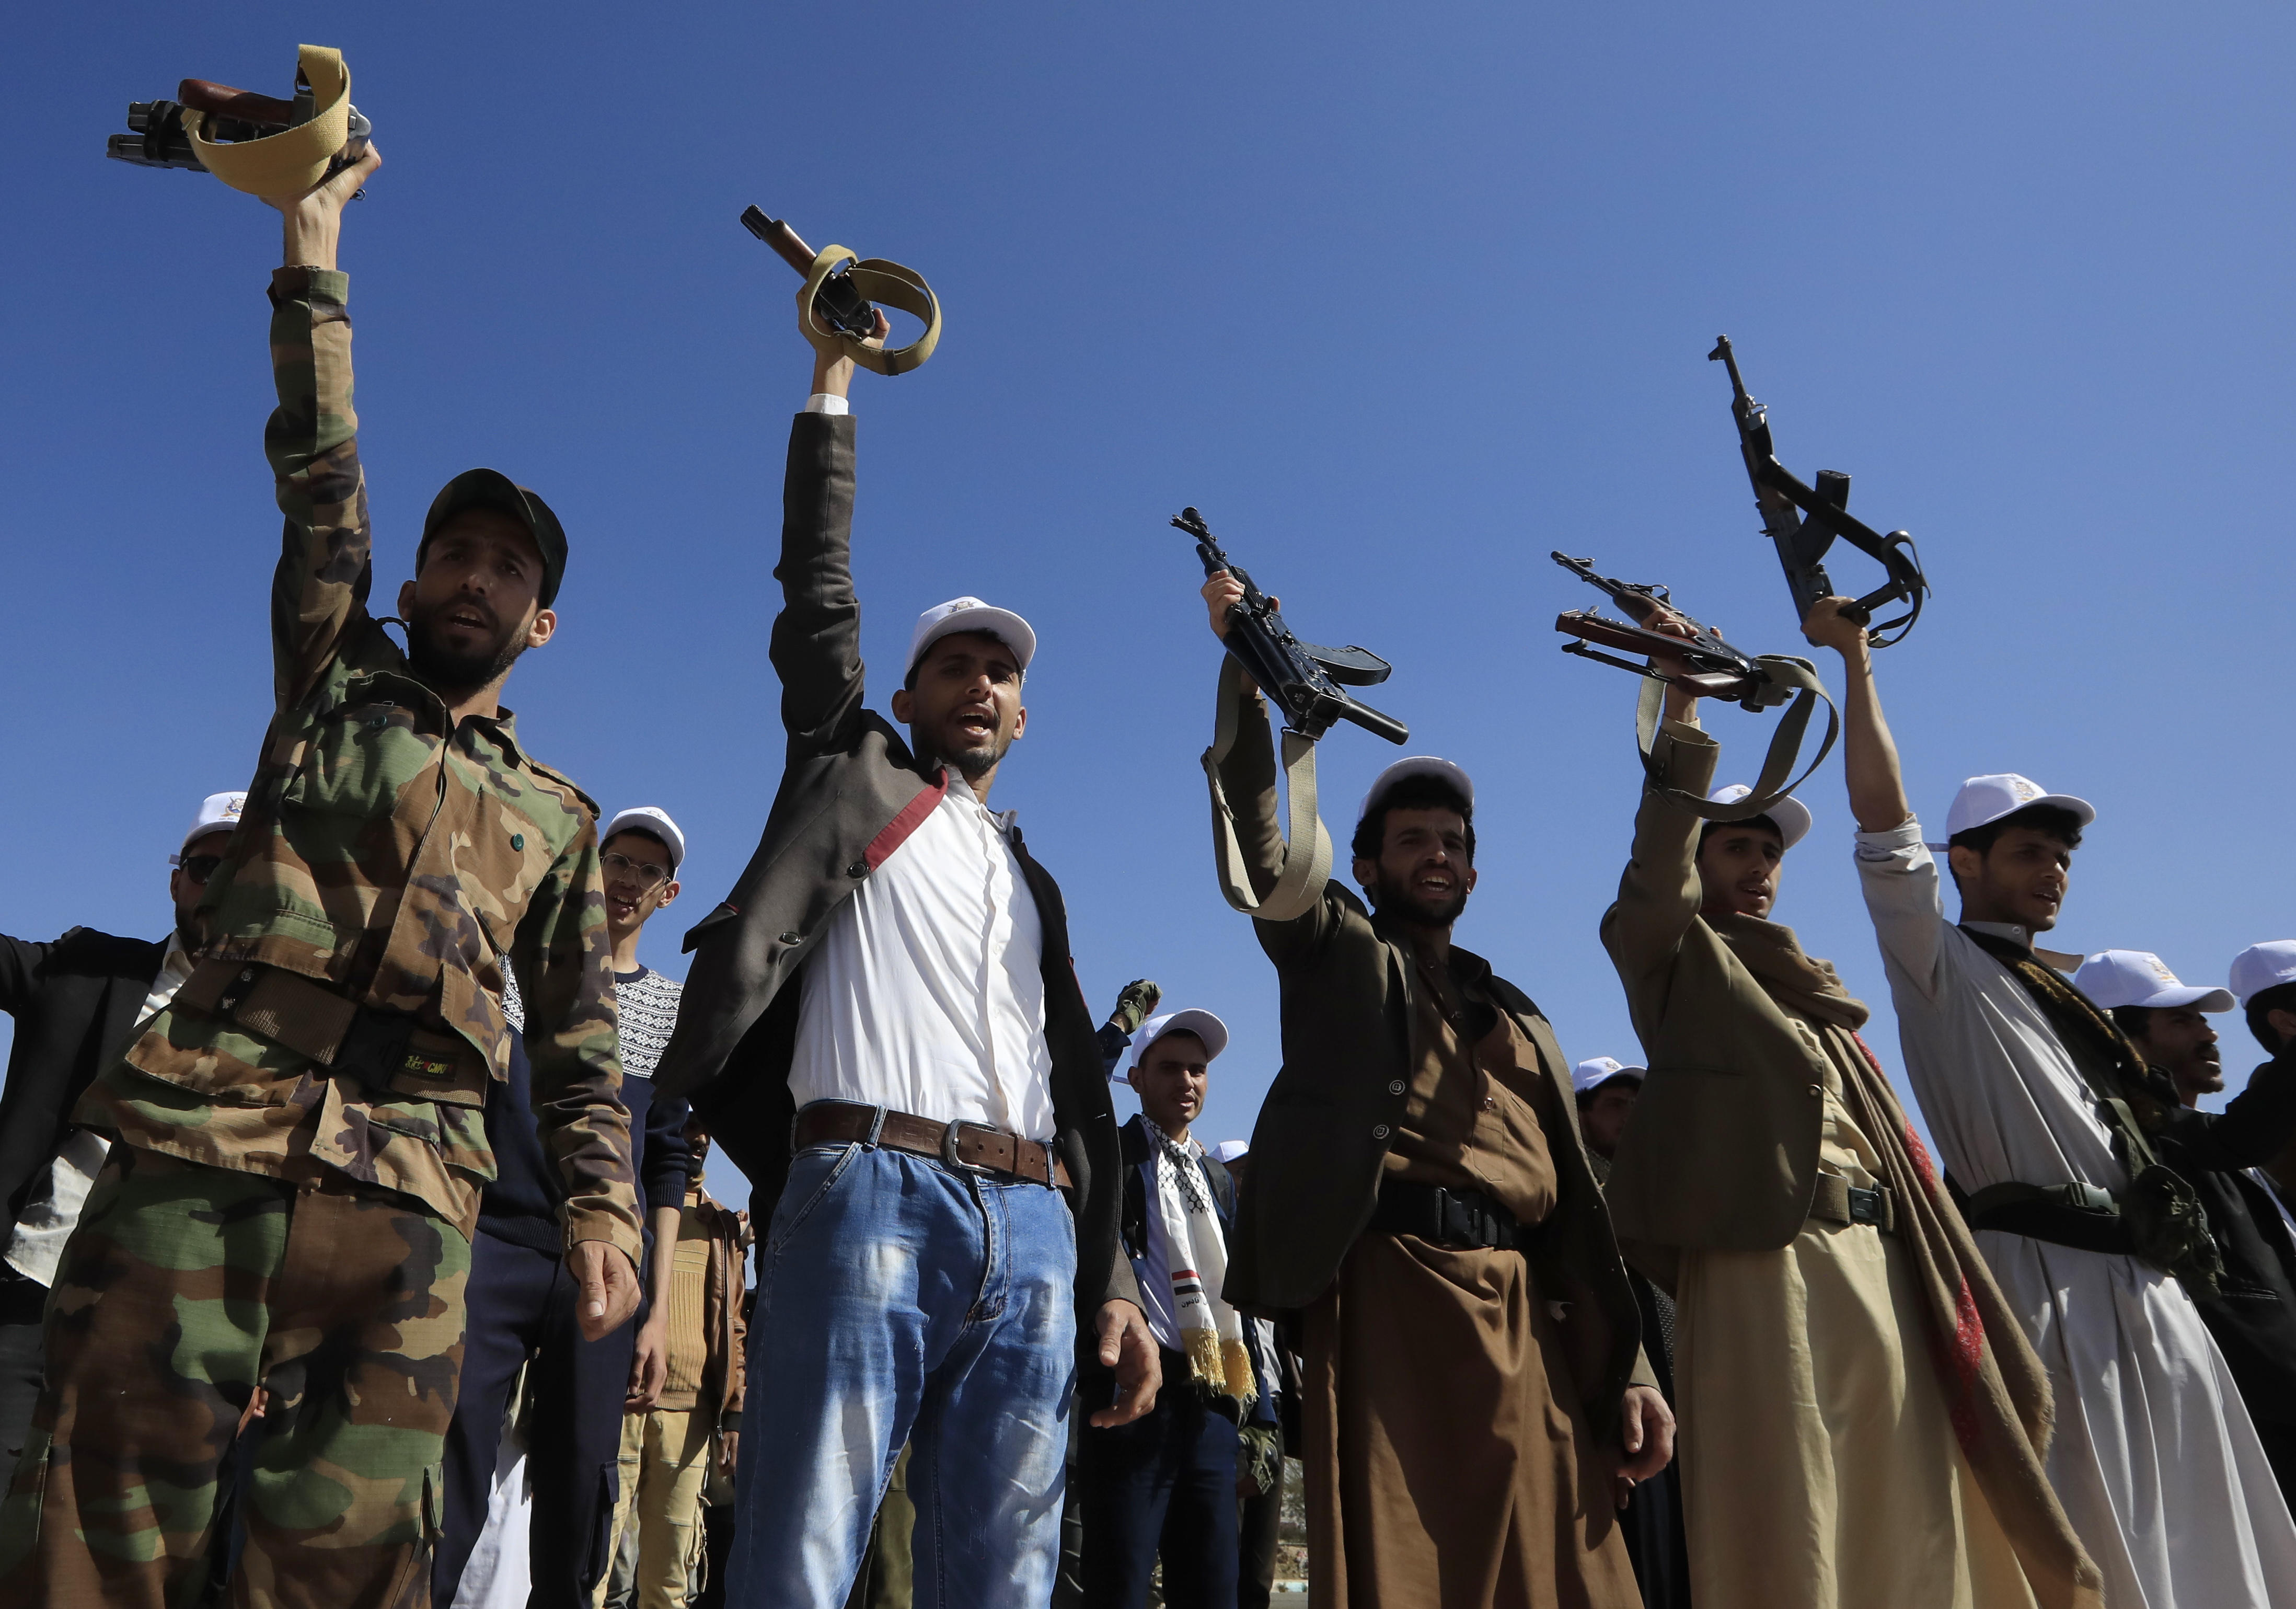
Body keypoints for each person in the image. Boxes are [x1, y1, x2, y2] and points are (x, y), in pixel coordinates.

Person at [0, 148, 645, 1605]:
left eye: (509, 570)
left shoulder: (557, 815)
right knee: (97, 1529)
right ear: (409, 581)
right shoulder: (334, 675)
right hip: (204, 1152)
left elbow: (582, 1050)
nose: (477, 578)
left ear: (541, 622)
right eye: (455, 553)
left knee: (345, 1566)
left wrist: (605, 1211)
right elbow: (319, 468)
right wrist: (314, 243)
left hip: (412, 1211)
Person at [652, 299, 1158, 1608]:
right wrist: (832, 384)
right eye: (952, 663)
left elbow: (1078, 1092)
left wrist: (1107, 1278)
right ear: (913, 690)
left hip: (1036, 1224)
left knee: (1005, 1572)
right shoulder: (856, 770)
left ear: (1024, 714)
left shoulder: (1030, 876)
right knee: (807, 1552)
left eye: (998, 670)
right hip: (870, 1181)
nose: (977, 682)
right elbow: (815, 597)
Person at [1807, 595, 2296, 1606]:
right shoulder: (1936, 965)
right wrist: (1856, 663)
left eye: (2060, 854)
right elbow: (1880, 827)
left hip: (2146, 1288)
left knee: (2208, 1553)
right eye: (2026, 851)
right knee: (2090, 1556)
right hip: (2038, 1289)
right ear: (1965, 862)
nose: (2052, 870)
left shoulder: (2059, 992)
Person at [1201, 574, 1670, 1609]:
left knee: (1568, 1577)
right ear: (1364, 864)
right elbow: (1265, 845)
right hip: (1389, 1294)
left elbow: (1571, 1213)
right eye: (1412, 840)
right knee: (1411, 1572)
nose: (1439, 855)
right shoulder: (1336, 953)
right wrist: (1246, 688)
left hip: (1526, 1310)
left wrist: (1630, 1375)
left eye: (1453, 844)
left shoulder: (1519, 1013)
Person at [1600, 647, 2093, 1609]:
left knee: (1905, 1502)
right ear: (1696, 864)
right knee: (1786, 1511)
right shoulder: (1672, 961)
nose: (1755, 866)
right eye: (1732, 847)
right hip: (1761, 1261)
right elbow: (1651, 878)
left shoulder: (1819, 991)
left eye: (1766, 851)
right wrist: (1683, 714)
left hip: (1879, 1256)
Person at [435, 808, 699, 1607]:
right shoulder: (519, 976)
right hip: (499, 1240)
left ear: (668, 893)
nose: (625, 879)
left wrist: (652, 1308)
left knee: (582, 1475)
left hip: (611, 1267)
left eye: (645, 870)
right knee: (454, 1449)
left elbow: (668, 1163)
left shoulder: (674, 1012)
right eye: (615, 859)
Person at [0, 791, 245, 1469]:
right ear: (176, 879)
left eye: (245, 871)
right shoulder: (88, 970)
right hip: (33, 1294)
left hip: (181, 1331)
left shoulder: (298, 1032)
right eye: (205, 868)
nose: (220, 888)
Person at [2075, 949, 2296, 1507]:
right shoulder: (2137, 1144)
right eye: (2181, 1020)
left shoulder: (2214, 1145)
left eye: (2204, 1019)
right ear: (2120, 1040)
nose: (2208, 1035)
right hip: (2248, 1424)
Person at [1080, 1009, 1270, 1608]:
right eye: (1168, 1068)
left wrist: (1259, 1413)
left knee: (1215, 1586)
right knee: (1122, 1582)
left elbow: (1238, 1305)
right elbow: (1075, 1100)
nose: (1186, 1081)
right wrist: (1114, 1027)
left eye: (1198, 1069)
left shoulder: (1216, 1177)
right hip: (1134, 1397)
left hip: (1212, 1401)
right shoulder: (1112, 1155)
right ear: (1136, 1078)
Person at [602, 1125, 747, 1609]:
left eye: (706, 1128)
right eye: (685, 1127)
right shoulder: (631, 1207)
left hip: (691, 1419)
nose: (697, 1137)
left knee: (670, 1582)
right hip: (620, 1403)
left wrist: (733, 1413)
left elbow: (734, 1326)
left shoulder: (723, 1223)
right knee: (596, 1567)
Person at [1567, 1057, 1690, 1609]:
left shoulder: (1663, 1195)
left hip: (1681, 1402)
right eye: (1615, 1105)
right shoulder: (1569, 1195)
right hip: (1617, 1409)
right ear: (1579, 1113)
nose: (1631, 1117)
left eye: (1639, 1106)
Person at [1210, 1139, 1291, 1609]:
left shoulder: (1268, 1252)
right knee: (1222, 1553)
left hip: (1271, 1412)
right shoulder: (1204, 1245)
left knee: (1259, 1563)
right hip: (1226, 1412)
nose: (1248, 1185)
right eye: (1238, 1175)